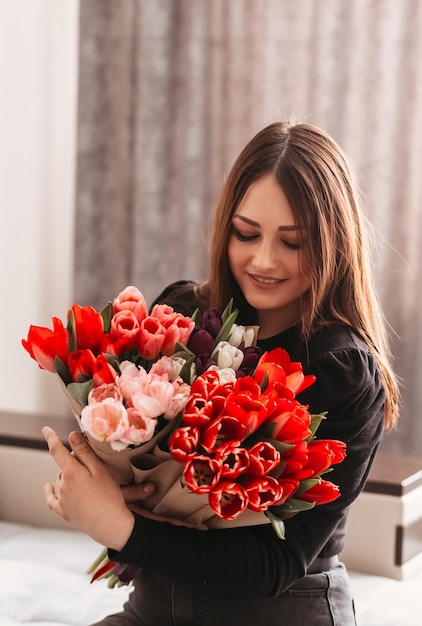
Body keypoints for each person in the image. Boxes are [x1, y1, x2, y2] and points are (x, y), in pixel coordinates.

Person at [42, 120, 400, 625]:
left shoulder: (342, 369)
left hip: (280, 612)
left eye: (292, 243)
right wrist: (104, 484)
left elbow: (278, 562)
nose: (264, 259)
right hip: (153, 608)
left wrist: (121, 528)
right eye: (246, 233)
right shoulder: (181, 314)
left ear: (333, 242)